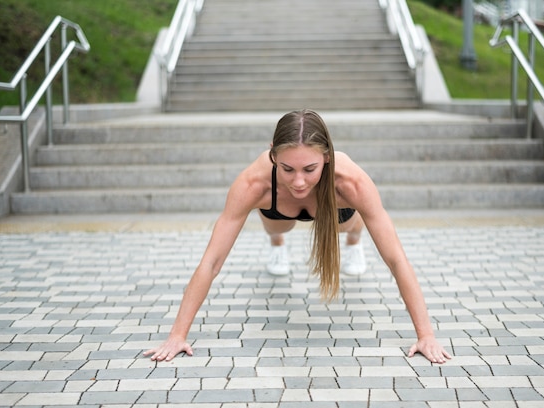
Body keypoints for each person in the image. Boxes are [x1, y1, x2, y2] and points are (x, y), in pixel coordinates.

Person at [144, 109, 452, 364]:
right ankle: (276, 244)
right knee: (278, 228)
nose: (299, 181)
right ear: (273, 155)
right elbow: (212, 260)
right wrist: (177, 335)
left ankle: (354, 243)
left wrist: (426, 335)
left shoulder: (351, 183)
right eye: (288, 168)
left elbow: (396, 259)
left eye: (310, 168)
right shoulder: (254, 183)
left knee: (351, 225)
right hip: (278, 209)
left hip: (335, 211)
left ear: (328, 157)